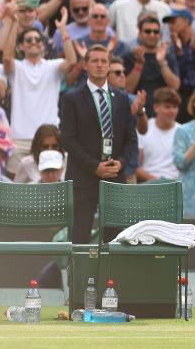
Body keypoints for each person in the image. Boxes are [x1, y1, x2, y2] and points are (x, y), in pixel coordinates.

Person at [60, 45, 137, 243]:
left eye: (104, 61)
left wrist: (120, 162)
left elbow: (130, 138)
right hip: (83, 177)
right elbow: (68, 140)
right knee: (79, 236)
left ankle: (111, 276)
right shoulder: (71, 98)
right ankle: (79, 275)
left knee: (114, 239)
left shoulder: (121, 98)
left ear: (110, 65)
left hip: (114, 176)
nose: (100, 65)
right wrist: (95, 167)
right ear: (85, 65)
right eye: (95, 61)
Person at [2, 10, 76, 175]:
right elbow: (7, 58)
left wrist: (63, 31)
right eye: (28, 40)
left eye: (38, 39)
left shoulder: (53, 66)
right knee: (15, 189)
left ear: (43, 45)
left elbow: (72, 62)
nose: (34, 42)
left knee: (52, 187)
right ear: (21, 46)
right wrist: (14, 24)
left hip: (48, 139)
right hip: (19, 138)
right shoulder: (17, 68)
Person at [136, 87, 181, 182]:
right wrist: (156, 181)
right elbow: (135, 166)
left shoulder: (183, 131)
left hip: (176, 185)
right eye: (167, 107)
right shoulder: (143, 129)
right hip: (149, 185)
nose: (172, 111)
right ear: (156, 107)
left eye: (175, 107)